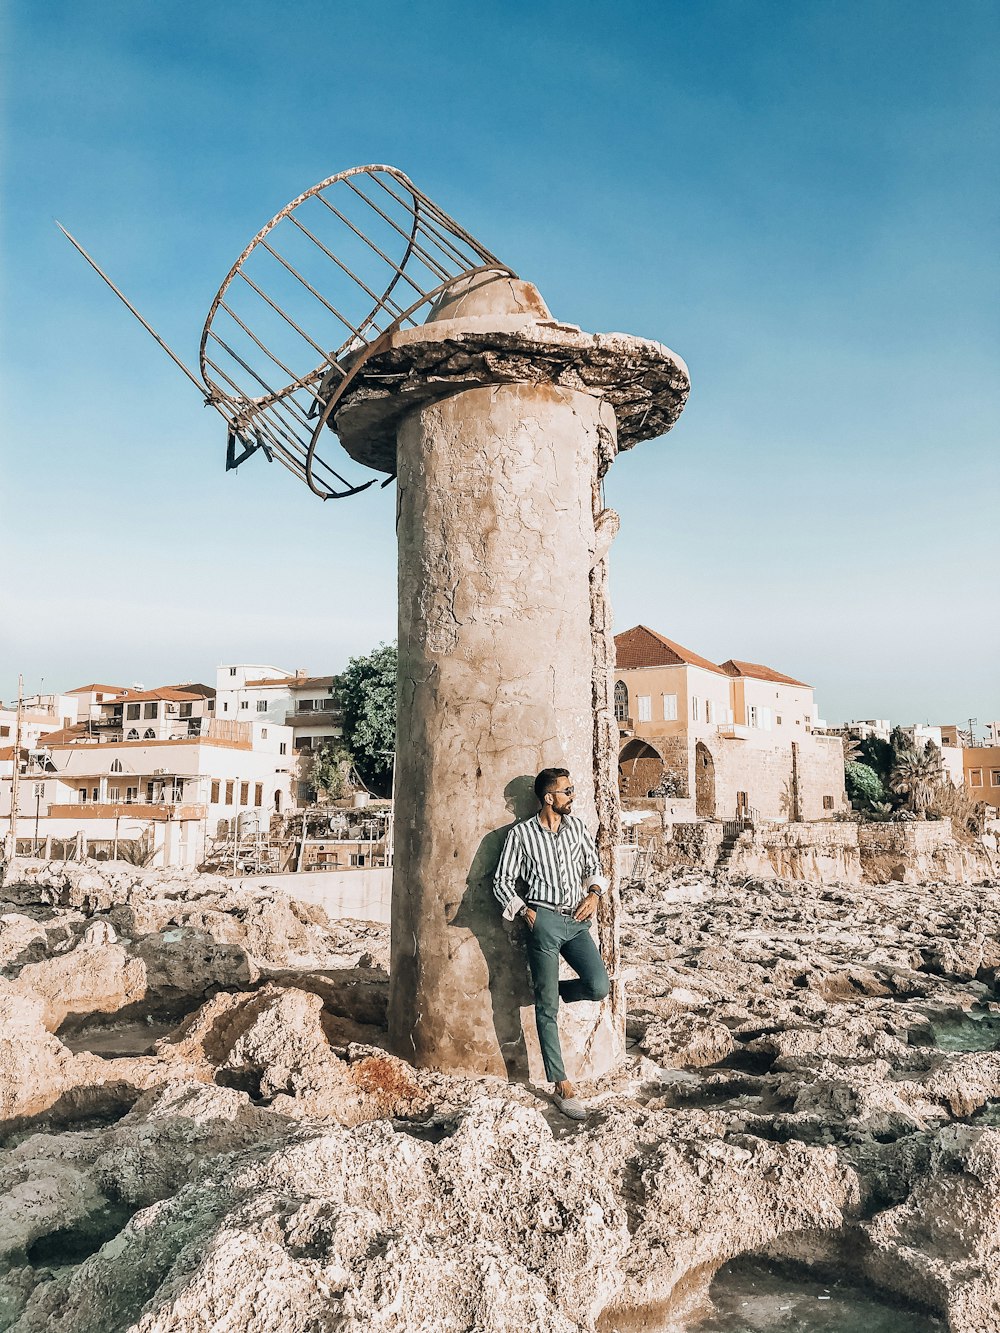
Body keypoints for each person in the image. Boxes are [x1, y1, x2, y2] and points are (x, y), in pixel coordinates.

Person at [493, 767, 610, 1119]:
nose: (573, 796)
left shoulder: (576, 828)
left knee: (599, 985)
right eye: (567, 791)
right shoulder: (522, 834)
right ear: (548, 798)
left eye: (572, 790)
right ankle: (561, 1084)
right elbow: (502, 881)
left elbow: (594, 866)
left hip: (576, 922)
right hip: (543, 921)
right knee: (548, 1013)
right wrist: (526, 913)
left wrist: (594, 894)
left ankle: (548, 991)